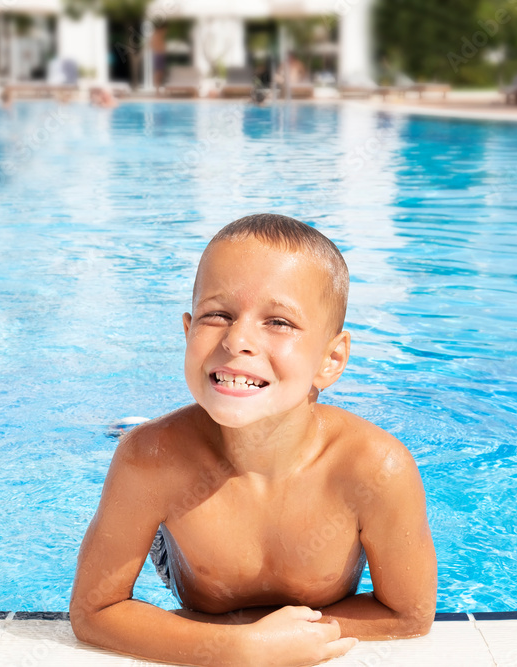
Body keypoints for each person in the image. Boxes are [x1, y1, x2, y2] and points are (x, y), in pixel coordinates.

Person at [70, 214, 437, 666]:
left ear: (331, 358)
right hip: (178, 538)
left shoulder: (376, 469)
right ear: (188, 332)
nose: (237, 339)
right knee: (144, 440)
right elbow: (94, 611)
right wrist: (237, 648)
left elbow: (408, 614)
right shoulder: (150, 460)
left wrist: (275, 637)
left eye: (278, 322)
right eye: (217, 315)